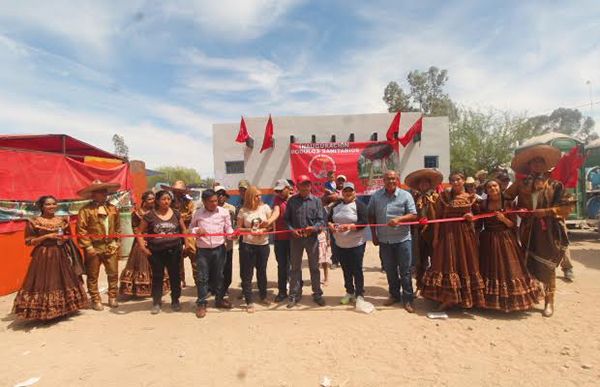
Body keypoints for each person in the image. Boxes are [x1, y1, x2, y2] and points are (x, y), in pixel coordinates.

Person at [505, 145, 569, 317]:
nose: (537, 165)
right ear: (529, 165)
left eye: (540, 162)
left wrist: (547, 212)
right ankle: (532, 296)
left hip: (548, 230)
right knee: (527, 262)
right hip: (527, 228)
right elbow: (506, 198)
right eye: (534, 162)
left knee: (547, 264)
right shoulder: (521, 183)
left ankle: (550, 301)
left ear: (546, 165)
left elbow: (567, 207)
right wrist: (517, 209)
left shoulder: (555, 185)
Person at [12, 196, 89, 321]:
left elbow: (68, 236)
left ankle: (64, 309)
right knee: (45, 281)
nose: (52, 206)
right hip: (43, 255)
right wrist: (46, 236)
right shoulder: (34, 221)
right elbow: (29, 241)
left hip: (61, 254)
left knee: (62, 280)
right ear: (41, 206)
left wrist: (63, 238)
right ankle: (44, 311)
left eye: (54, 204)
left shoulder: (63, 220)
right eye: (48, 204)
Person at [421, 172, 485, 311]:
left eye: (458, 180)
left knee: (465, 264)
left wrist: (471, 217)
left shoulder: (472, 198)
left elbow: (480, 217)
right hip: (446, 235)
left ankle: (466, 298)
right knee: (447, 264)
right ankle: (448, 298)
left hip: (465, 236)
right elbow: (438, 218)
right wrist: (436, 237)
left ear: (463, 181)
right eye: (453, 180)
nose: (456, 183)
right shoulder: (443, 197)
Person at [478, 179, 539, 312]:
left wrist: (503, 219)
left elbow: (512, 224)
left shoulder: (509, 203)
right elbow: (478, 222)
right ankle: (489, 302)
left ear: (500, 187)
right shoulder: (483, 204)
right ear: (486, 191)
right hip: (488, 239)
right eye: (489, 187)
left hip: (505, 239)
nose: (492, 189)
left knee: (509, 268)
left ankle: (511, 302)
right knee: (490, 268)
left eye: (494, 186)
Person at [368, 170, 417, 312]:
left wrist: (399, 219)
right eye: (388, 179)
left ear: (397, 180)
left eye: (393, 179)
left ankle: (408, 299)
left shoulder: (406, 195)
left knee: (405, 271)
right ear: (383, 180)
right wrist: (374, 235)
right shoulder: (376, 196)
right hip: (384, 241)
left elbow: (414, 215)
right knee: (390, 270)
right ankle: (394, 295)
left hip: (403, 240)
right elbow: (371, 216)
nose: (391, 181)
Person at [137, 190, 186, 314]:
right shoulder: (149, 215)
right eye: (163, 199)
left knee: (175, 276)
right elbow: (139, 232)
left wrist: (186, 245)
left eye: (168, 199)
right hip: (156, 252)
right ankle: (156, 302)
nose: (166, 201)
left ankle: (175, 300)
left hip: (174, 250)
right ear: (157, 201)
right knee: (158, 276)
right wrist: (143, 247)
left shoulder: (176, 213)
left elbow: (184, 230)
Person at [189, 189, 234, 318]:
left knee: (219, 276)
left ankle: (219, 300)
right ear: (204, 202)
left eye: (216, 201)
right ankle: (202, 304)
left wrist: (232, 236)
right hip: (203, 250)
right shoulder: (198, 213)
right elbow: (190, 229)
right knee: (202, 277)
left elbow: (228, 228)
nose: (215, 203)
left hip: (219, 249)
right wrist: (197, 230)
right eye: (211, 201)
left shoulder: (224, 212)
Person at [77, 180, 121, 311]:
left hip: (111, 245)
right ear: (93, 194)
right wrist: (88, 246)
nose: (104, 194)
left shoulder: (113, 208)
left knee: (113, 273)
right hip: (94, 246)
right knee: (93, 275)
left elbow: (118, 227)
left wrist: (116, 242)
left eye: (105, 191)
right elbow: (81, 230)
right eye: (101, 192)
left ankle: (113, 296)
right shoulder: (85, 210)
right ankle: (95, 298)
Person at [284, 174, 327, 308]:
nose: (306, 187)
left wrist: (313, 228)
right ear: (297, 186)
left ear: (310, 186)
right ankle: (294, 295)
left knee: (314, 267)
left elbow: (321, 220)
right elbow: (287, 220)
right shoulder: (292, 201)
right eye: (303, 184)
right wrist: (292, 230)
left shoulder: (316, 201)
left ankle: (317, 294)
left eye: (308, 184)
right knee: (295, 268)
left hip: (311, 239)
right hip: (296, 240)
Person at [119, 191, 169, 298]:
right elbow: (135, 228)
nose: (152, 201)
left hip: (154, 240)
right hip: (140, 241)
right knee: (139, 264)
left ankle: (156, 288)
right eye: (149, 199)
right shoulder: (136, 213)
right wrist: (141, 239)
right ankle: (138, 289)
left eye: (153, 199)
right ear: (144, 201)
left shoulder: (156, 212)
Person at [328, 182, 368, 305]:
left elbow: (364, 222)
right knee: (346, 270)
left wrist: (350, 226)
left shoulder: (359, 205)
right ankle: (349, 292)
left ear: (354, 192)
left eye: (350, 191)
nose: (348, 193)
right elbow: (328, 220)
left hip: (356, 244)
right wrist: (331, 225)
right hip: (340, 244)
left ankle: (359, 294)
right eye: (346, 191)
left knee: (357, 269)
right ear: (342, 192)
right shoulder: (336, 206)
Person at [404, 168, 442, 294]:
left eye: (426, 183)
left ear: (430, 184)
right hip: (418, 233)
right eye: (421, 183)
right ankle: (419, 285)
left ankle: (435, 287)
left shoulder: (437, 198)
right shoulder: (414, 198)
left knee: (436, 260)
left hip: (434, 233)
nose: (423, 185)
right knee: (419, 261)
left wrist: (436, 236)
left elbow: (439, 216)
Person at [237, 186, 273, 312]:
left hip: (263, 245)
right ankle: (249, 301)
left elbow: (271, 227)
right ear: (250, 197)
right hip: (248, 245)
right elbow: (238, 229)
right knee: (247, 274)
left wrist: (264, 229)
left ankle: (263, 296)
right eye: (256, 195)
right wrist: (250, 230)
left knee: (262, 272)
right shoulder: (243, 211)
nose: (259, 197)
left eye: (260, 195)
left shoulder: (266, 208)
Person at [161, 181, 196, 289]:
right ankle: (180, 279)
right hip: (173, 231)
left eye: (180, 192)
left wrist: (179, 217)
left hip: (187, 231)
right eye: (176, 192)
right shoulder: (169, 203)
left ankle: (198, 279)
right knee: (176, 257)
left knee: (193, 253)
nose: (178, 194)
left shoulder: (189, 203)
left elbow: (191, 217)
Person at [263, 179, 293, 302]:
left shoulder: (295, 199)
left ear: (288, 188)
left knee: (294, 265)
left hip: (294, 238)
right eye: (277, 191)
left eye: (281, 190)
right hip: (280, 239)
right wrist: (268, 222)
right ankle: (282, 292)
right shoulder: (277, 200)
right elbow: (276, 212)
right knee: (282, 265)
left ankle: (296, 290)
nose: (279, 193)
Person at [215, 186, 236, 295]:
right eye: (218, 194)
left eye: (223, 194)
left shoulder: (231, 208)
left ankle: (226, 286)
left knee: (227, 266)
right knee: (216, 266)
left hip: (228, 243)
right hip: (215, 243)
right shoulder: (210, 208)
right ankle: (215, 287)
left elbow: (235, 224)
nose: (221, 196)